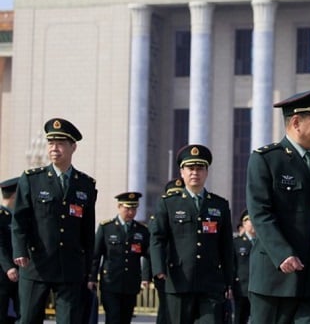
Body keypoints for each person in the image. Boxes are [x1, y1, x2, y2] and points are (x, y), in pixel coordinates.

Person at [246, 84, 310, 323]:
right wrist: (282, 254)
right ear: (296, 123)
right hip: (275, 278)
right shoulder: (267, 160)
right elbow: (260, 213)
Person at [12, 118, 97, 324]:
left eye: (60, 144)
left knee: (70, 320)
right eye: (51, 143)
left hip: (70, 266)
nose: (54, 148)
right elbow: (20, 219)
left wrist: (88, 269)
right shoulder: (32, 179)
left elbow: (87, 230)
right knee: (29, 319)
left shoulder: (85, 184)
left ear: (72, 147)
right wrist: (20, 251)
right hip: (36, 264)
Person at [150, 144, 234, 324]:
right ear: (182, 172)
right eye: (190, 168)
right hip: (179, 280)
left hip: (211, 282)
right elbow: (157, 238)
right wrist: (158, 270)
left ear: (206, 172)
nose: (195, 172)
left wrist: (229, 280)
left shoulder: (219, 205)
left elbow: (226, 245)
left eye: (200, 168)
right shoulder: (169, 204)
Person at [88, 192, 150, 324]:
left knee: (125, 318)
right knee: (113, 318)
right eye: (127, 208)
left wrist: (146, 277)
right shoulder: (106, 228)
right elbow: (96, 255)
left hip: (130, 283)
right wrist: (91, 278)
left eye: (134, 209)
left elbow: (149, 255)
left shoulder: (141, 230)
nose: (131, 212)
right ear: (119, 206)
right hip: (111, 281)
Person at [153, 179, 184, 324]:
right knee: (166, 308)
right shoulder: (159, 216)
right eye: (173, 194)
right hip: (165, 270)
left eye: (180, 193)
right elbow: (153, 246)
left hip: (184, 268)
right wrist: (156, 270)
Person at [0, 178, 19, 324]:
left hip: (18, 275)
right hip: (3, 275)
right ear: (15, 195)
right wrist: (9, 268)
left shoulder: (16, 216)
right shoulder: (2, 216)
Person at [232, 209, 255, 324]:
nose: (253, 223)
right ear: (244, 224)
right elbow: (232, 265)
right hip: (242, 288)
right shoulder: (236, 243)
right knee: (240, 318)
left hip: (259, 288)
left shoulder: (263, 242)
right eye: (250, 220)